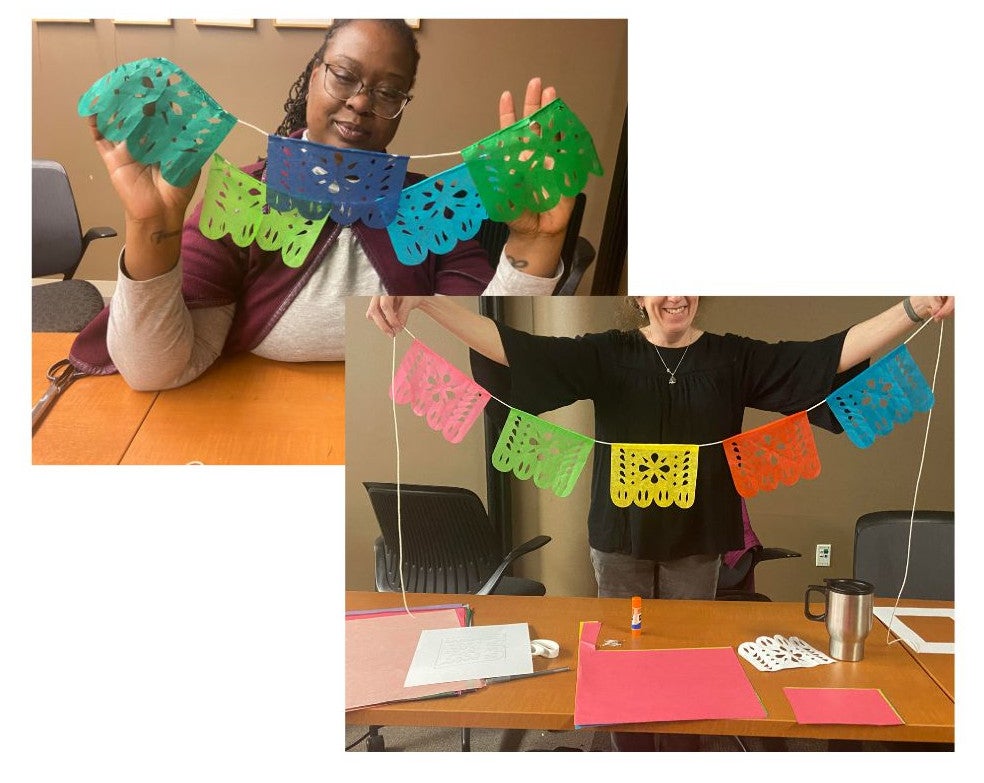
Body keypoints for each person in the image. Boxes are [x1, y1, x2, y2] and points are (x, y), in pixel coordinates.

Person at [366, 294, 954, 750]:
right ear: (641, 295)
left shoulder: (733, 355)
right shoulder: (607, 352)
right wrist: (424, 299)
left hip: (698, 539)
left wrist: (915, 307)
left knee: (687, 663)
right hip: (619, 539)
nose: (675, 294)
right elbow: (517, 349)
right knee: (622, 660)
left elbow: (825, 357)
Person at [73, 19, 574, 389]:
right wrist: (150, 230)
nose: (361, 101)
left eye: (388, 91)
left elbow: (484, 359)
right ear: (313, 76)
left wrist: (535, 244)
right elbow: (155, 372)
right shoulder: (243, 201)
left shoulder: (431, 209)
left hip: (394, 420)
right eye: (343, 76)